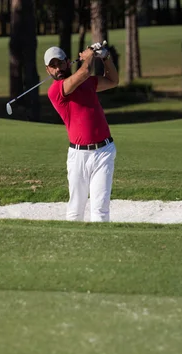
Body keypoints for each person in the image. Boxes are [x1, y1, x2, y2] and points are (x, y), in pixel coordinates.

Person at [44, 43, 119, 222]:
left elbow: (113, 81)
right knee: (75, 211)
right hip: (78, 156)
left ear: (68, 63)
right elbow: (84, 72)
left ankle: (100, 249)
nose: (57, 69)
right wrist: (89, 57)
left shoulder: (87, 83)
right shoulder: (56, 91)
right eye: (52, 66)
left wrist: (106, 57)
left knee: (100, 210)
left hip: (104, 153)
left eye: (60, 63)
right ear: (48, 70)